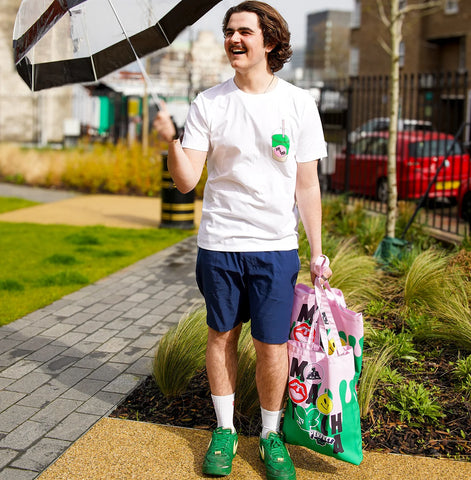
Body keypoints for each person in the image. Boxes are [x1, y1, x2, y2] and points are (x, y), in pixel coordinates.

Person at [154, 2, 332, 478]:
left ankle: (271, 436)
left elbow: (307, 184)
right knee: (222, 336)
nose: (233, 39)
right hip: (220, 243)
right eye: (229, 31)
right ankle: (226, 430)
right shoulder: (208, 103)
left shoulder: (298, 104)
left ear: (269, 42)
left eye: (244, 32)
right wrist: (171, 142)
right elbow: (188, 181)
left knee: (274, 346)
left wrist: (317, 251)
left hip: (274, 247)